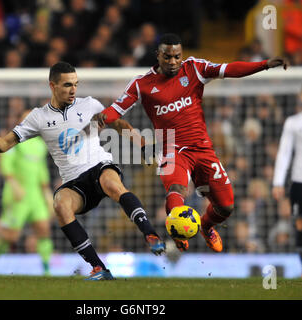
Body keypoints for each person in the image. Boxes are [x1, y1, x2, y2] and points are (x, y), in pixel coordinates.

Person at [0, 61, 165, 280]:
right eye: (67, 85)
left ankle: (150, 234)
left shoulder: (90, 105)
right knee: (60, 204)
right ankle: (100, 268)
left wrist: (143, 144)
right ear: (53, 86)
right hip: (74, 182)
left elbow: (119, 125)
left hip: (99, 166)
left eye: (76, 84)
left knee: (112, 184)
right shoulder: (38, 117)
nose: (73, 90)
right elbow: (3, 146)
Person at [92, 33, 288, 253]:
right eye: (167, 57)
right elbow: (116, 110)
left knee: (226, 206)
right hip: (170, 147)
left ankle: (206, 226)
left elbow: (229, 70)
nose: (173, 62)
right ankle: (177, 231)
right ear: (158, 55)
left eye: (177, 56)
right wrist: (100, 118)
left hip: (202, 148)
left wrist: (264, 65)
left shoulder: (194, 68)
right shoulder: (142, 84)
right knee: (176, 189)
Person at [0, 110, 54, 276]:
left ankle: (46, 270)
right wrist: (13, 184)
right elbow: (5, 162)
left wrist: (47, 194)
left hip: (35, 195)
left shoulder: (40, 145)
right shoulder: (14, 139)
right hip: (18, 195)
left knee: (43, 229)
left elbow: (41, 171)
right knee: (10, 236)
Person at [272, 93, 302, 269]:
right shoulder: (293, 122)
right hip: (299, 182)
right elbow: (284, 153)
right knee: (300, 224)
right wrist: (278, 182)